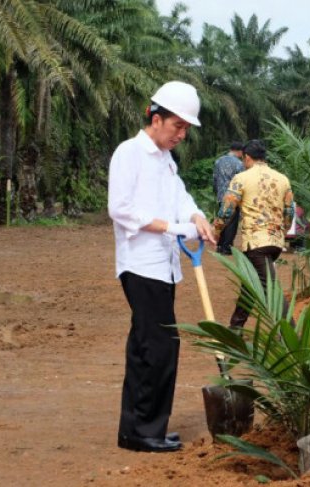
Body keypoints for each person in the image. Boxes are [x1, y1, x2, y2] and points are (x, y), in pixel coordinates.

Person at [108, 81, 216, 453]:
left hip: (164, 266)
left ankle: (141, 429)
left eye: (186, 129)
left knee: (151, 344)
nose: (181, 135)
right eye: (177, 126)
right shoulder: (130, 153)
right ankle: (143, 431)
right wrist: (173, 227)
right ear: (156, 118)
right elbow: (120, 209)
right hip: (141, 264)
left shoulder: (166, 160)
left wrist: (196, 216)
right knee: (156, 346)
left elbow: (180, 196)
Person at [214, 139, 295, 329]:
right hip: (275, 243)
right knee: (250, 287)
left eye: (243, 160)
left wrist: (216, 231)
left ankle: (294, 338)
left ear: (247, 157)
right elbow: (289, 212)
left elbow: (226, 211)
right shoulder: (282, 178)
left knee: (271, 292)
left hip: (255, 244)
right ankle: (235, 330)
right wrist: (281, 230)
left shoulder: (242, 178)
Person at [213, 142, 244, 255]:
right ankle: (227, 247)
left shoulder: (218, 161)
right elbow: (241, 182)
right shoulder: (239, 164)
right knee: (232, 222)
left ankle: (220, 245)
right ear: (239, 151)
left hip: (221, 195)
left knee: (222, 219)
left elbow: (215, 179)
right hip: (233, 197)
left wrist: (217, 192)